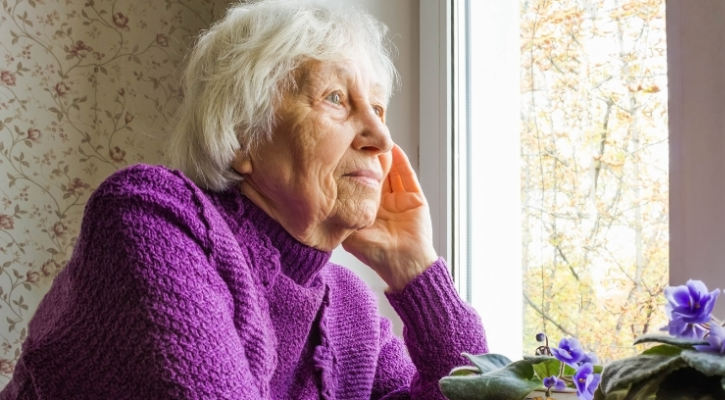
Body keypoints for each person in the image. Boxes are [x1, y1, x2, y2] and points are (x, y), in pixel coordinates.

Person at [0, 1, 488, 399]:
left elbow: (471, 393)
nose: (381, 135)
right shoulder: (150, 218)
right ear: (241, 135)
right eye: (336, 98)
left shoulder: (350, 308)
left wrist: (419, 272)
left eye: (378, 108)